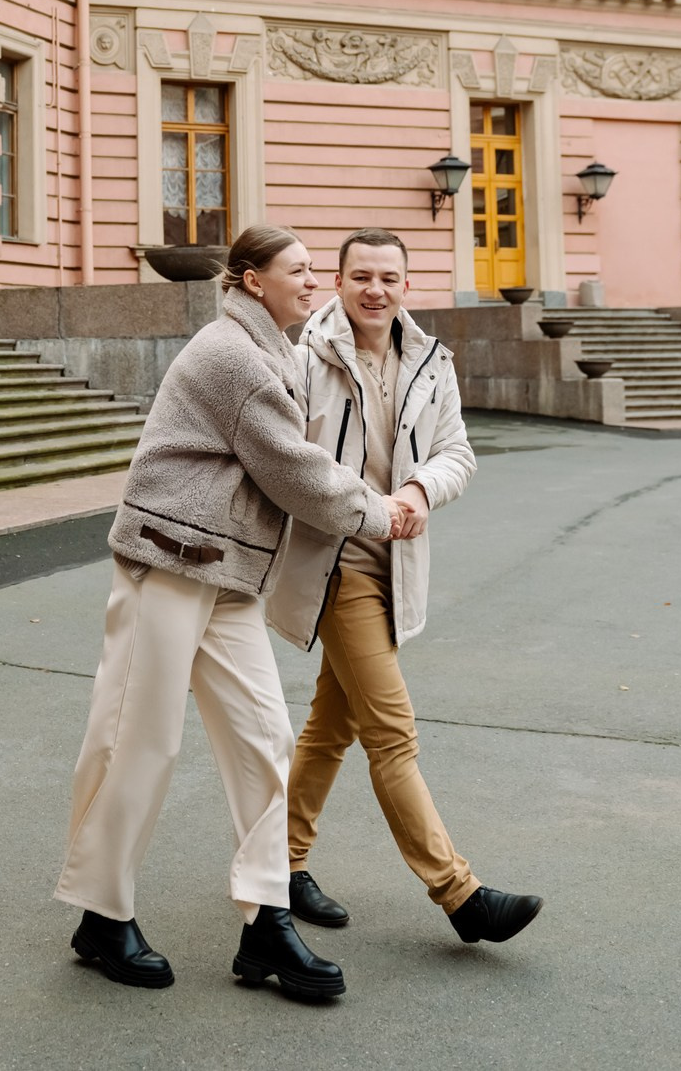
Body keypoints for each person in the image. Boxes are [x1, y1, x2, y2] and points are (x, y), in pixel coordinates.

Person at [54, 226, 409, 997]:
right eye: (300, 271)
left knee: (266, 738)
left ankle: (267, 923)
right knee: (137, 740)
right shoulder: (234, 356)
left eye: (316, 271)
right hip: (171, 561)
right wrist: (377, 512)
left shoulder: (271, 350)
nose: (313, 283)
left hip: (229, 573)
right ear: (252, 280)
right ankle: (101, 913)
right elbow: (293, 469)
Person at [267, 226, 543, 946]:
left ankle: (281, 865)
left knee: (332, 728)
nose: (374, 290)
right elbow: (290, 462)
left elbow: (457, 451)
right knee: (392, 733)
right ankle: (460, 894)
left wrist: (421, 490)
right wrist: (368, 509)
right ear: (338, 281)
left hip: (396, 566)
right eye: (361, 276)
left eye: (388, 277)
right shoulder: (303, 356)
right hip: (335, 567)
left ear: (406, 285)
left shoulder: (430, 361)